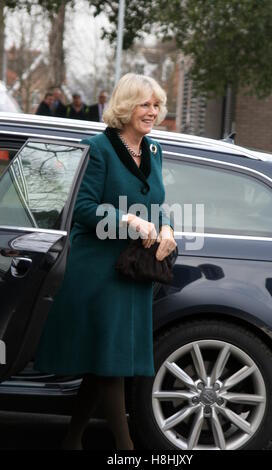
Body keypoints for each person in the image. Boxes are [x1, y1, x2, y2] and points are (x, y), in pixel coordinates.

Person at [33, 73, 177, 450]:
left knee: (105, 361)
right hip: (98, 269)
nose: (153, 112)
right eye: (145, 104)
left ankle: (72, 439)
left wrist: (167, 229)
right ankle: (127, 451)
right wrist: (128, 222)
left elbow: (157, 205)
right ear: (126, 106)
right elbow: (81, 209)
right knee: (111, 362)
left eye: (156, 104)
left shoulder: (154, 150)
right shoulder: (96, 147)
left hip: (134, 270)